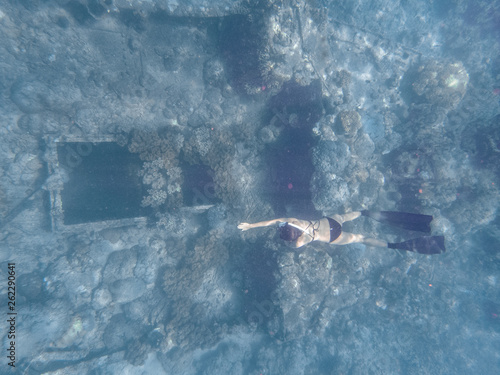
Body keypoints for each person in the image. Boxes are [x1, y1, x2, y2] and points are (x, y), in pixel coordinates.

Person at [238, 210, 445, 254]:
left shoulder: (299, 242)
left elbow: (291, 243)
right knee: (350, 215)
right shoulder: (292, 220)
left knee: (361, 238)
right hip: (330, 221)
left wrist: (288, 243)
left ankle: (393, 245)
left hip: (332, 237)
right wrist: (250, 225)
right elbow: (273, 220)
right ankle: (365, 212)